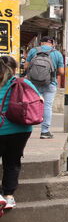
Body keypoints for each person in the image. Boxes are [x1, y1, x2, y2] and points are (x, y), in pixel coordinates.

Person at [0, 56, 41, 213]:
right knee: (12, 161)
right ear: (15, 69)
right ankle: (9, 196)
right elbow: (39, 99)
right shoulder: (24, 82)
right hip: (21, 130)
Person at [24, 36, 64, 139]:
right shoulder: (57, 53)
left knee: (30, 104)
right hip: (50, 83)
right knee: (47, 106)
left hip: (33, 84)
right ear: (52, 43)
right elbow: (61, 72)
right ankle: (45, 131)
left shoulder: (33, 51)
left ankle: (26, 129)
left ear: (41, 43)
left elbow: (26, 66)